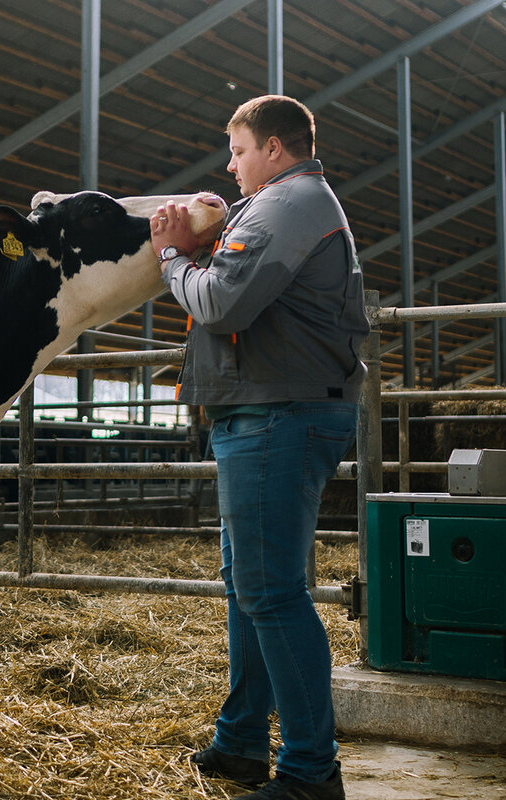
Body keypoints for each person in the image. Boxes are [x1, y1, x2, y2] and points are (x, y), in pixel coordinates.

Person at [150, 95, 369, 800]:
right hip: (261, 410)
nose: (232, 162)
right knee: (250, 588)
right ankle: (243, 741)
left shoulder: (289, 204)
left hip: (280, 414)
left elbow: (220, 304)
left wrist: (171, 259)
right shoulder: (277, 206)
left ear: (276, 148)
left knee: (271, 592)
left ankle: (310, 772)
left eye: (238, 149)